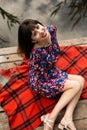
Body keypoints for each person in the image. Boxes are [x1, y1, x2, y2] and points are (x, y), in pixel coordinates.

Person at [18, 19, 85, 130]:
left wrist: (48, 39)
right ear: (32, 41)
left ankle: (67, 118)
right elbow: (42, 73)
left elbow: (52, 29)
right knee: (75, 86)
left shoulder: (50, 31)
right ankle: (51, 117)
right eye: (35, 34)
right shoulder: (36, 54)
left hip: (51, 71)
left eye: (38, 26)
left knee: (81, 80)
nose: (41, 30)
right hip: (42, 80)